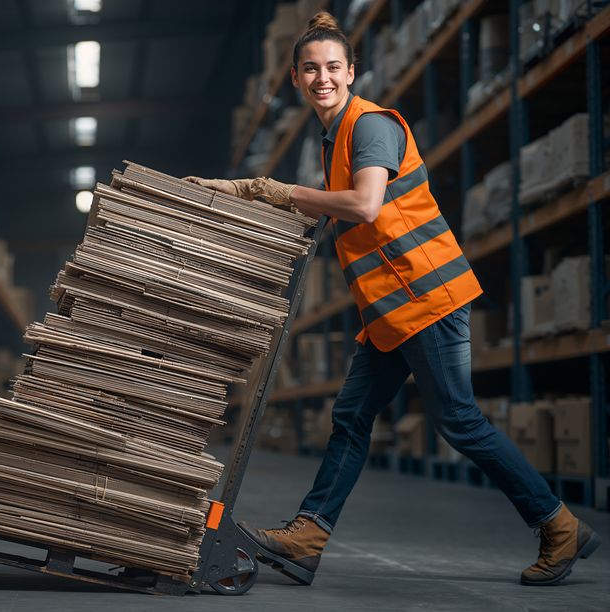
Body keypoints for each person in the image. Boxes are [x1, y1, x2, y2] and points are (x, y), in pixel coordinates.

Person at [186, 11, 600, 586]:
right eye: (310, 69)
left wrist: (272, 189)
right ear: (295, 78)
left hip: (426, 298)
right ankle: (309, 536)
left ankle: (558, 524)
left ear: (352, 71)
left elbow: (364, 206)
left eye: (332, 67)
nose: (322, 78)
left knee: (460, 420)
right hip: (389, 309)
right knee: (353, 415)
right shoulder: (332, 140)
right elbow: (332, 211)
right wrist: (244, 197)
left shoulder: (370, 126)